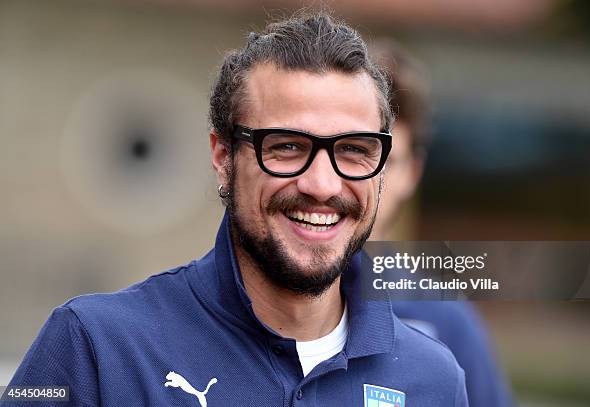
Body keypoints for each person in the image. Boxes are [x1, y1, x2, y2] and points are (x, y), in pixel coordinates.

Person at [3, 13, 468, 406]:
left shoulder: (434, 381)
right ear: (224, 156)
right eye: (286, 147)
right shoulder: (96, 349)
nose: (323, 185)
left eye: (353, 150)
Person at [369, 40, 514, 407]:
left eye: (389, 161)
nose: (370, 180)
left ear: (413, 173)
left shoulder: (446, 320)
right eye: (355, 151)